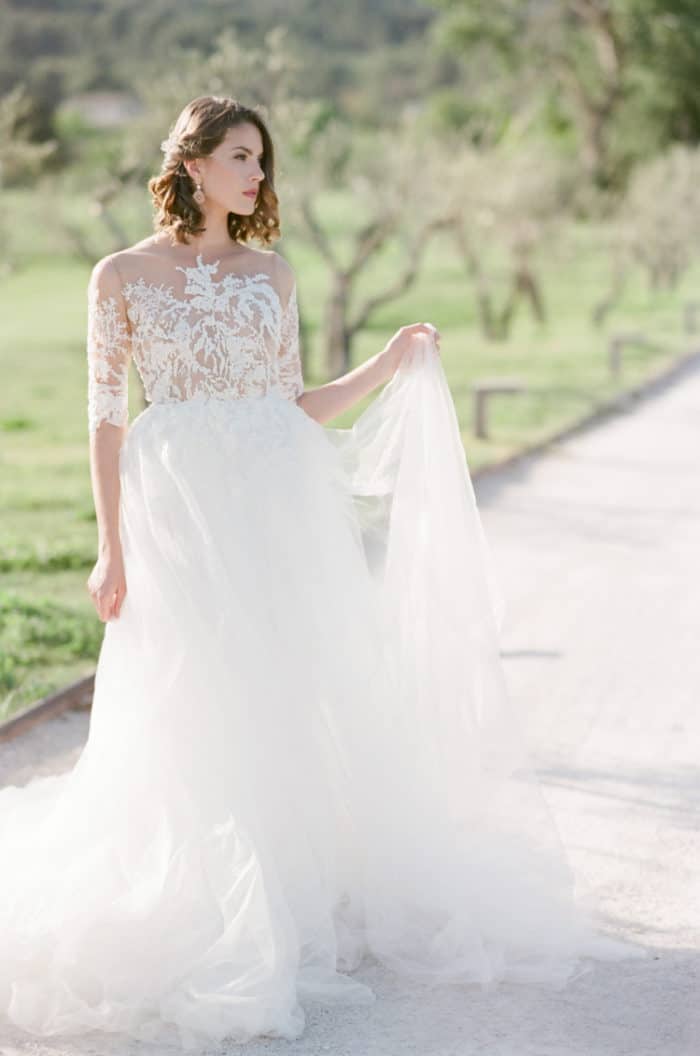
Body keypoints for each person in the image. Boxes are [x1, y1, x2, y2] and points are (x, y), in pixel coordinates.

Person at [0, 95, 645, 1053]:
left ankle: (289, 899)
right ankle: (203, 902)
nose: (258, 175)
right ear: (194, 163)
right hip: (175, 503)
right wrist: (110, 544)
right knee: (188, 694)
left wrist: (388, 364)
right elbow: (103, 415)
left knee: (282, 694)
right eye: (240, 156)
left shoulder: (275, 271)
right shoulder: (120, 274)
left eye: (262, 159)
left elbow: (296, 404)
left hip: (273, 506)